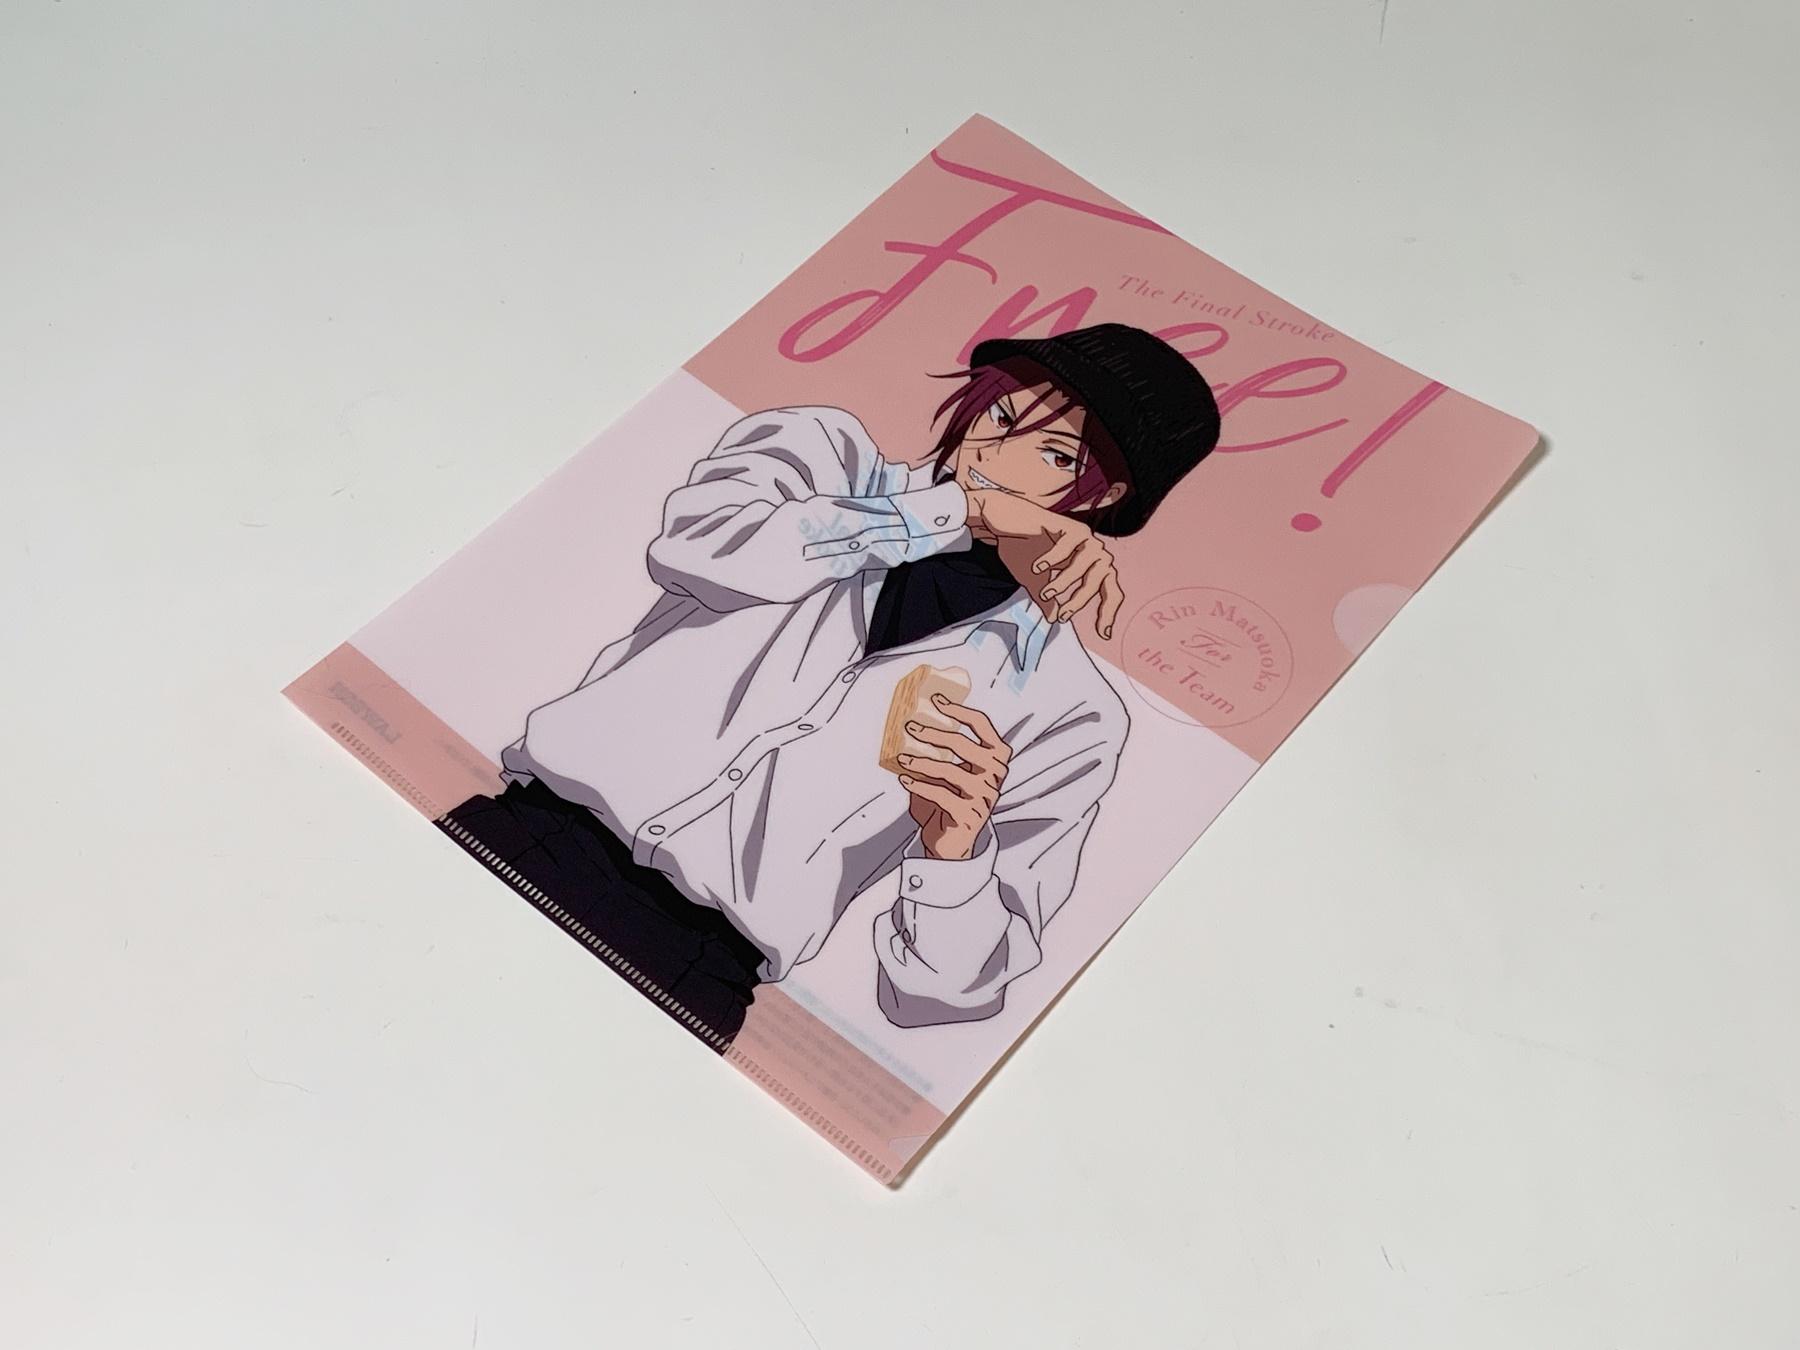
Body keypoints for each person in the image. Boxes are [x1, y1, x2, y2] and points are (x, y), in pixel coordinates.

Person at [438, 323, 1221, 1046]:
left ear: (1104, 498)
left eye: (1054, 456)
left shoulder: (1071, 711)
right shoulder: (822, 456)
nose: (994, 455)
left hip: (694, 969)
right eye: (1000, 414)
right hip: (529, 833)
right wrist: (955, 511)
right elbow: (699, 547)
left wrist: (956, 851)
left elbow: (944, 998)